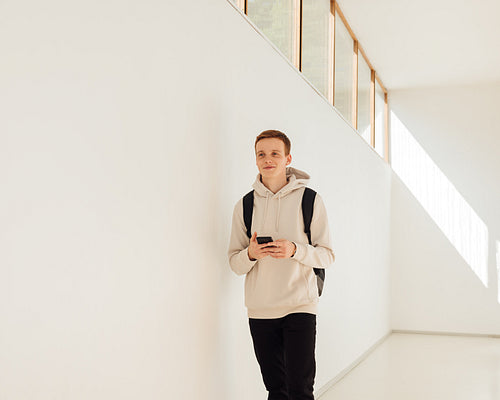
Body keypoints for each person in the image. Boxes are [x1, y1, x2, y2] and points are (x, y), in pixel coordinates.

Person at [228, 129, 335, 400]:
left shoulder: (310, 200)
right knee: (276, 390)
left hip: (300, 305)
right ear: (255, 160)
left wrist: (294, 250)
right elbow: (235, 263)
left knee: (300, 390)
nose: (268, 159)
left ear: (288, 158)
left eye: (275, 153)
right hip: (260, 309)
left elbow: (327, 256)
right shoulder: (245, 205)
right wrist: (251, 254)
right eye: (261, 154)